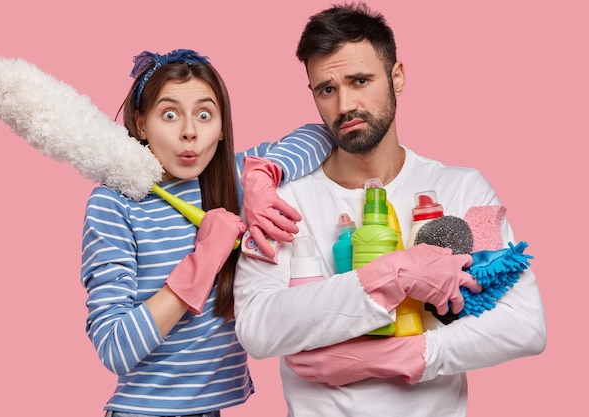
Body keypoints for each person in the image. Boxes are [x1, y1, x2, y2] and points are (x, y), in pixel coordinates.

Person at [233, 3, 547, 416]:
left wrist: (409, 356)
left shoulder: (462, 189)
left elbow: (524, 324)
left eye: (360, 80)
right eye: (327, 89)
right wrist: (391, 276)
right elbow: (257, 327)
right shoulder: (284, 202)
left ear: (397, 77)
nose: (345, 104)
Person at [80, 49, 334, 417]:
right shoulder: (115, 202)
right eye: (170, 115)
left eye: (204, 114)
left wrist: (262, 177)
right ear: (140, 122)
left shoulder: (232, 179)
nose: (189, 131)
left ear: (221, 127)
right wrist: (202, 263)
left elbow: (320, 135)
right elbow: (115, 347)